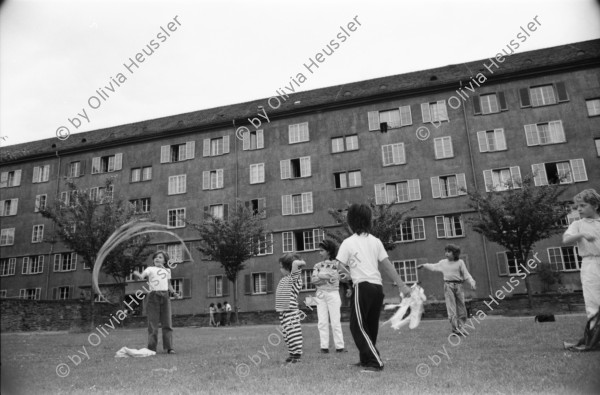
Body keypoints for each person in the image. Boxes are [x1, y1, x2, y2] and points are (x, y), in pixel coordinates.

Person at [336, 203, 411, 373]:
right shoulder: (376, 241)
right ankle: (365, 360)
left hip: (362, 287)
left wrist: (349, 275)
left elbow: (339, 266)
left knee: (357, 326)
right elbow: (387, 265)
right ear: (368, 220)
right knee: (370, 326)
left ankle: (375, 362)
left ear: (351, 221)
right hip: (377, 288)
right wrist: (402, 286)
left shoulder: (348, 242)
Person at [563, 189, 600, 349]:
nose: (578, 209)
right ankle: (595, 339)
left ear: (595, 205)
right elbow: (566, 239)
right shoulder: (577, 224)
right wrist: (582, 235)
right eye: (576, 206)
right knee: (593, 300)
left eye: (583, 205)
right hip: (590, 263)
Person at [417, 244, 476, 336]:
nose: (446, 253)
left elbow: (466, 274)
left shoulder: (460, 262)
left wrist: (472, 282)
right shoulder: (443, 262)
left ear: (454, 253)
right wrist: (424, 265)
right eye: (446, 251)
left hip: (459, 286)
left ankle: (461, 327)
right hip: (448, 286)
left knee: (461, 308)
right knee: (451, 308)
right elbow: (433, 266)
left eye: (449, 252)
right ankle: (455, 329)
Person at [133, 250, 181, 354]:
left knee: (167, 323)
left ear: (164, 261)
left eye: (160, 257)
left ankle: (169, 347)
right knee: (152, 324)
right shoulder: (150, 269)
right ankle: (151, 348)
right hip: (153, 296)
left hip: (165, 296)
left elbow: (169, 284)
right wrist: (139, 275)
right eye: (156, 257)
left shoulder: (167, 271)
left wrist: (174, 292)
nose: (157, 259)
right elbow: (143, 275)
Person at [311, 239, 345, 353]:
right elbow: (314, 280)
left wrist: (321, 276)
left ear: (329, 251)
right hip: (320, 295)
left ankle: (339, 347)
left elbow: (341, 277)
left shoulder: (337, 264)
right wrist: (328, 276)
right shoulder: (317, 265)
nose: (319, 253)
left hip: (333, 294)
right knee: (322, 322)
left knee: (336, 321)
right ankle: (324, 347)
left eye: (322, 251)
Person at [276, 253, 306, 363]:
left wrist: (297, 262)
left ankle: (297, 354)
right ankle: (292, 353)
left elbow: (297, 264)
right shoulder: (285, 278)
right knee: (287, 334)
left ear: (288, 267)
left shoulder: (294, 278)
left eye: (281, 267)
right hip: (283, 311)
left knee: (293, 333)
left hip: (291, 311)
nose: (280, 269)